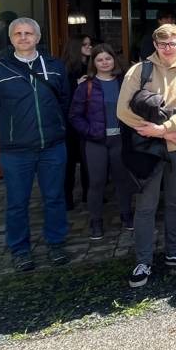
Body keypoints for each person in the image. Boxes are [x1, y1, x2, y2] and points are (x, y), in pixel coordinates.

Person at [0, 17, 71, 272]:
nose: (23, 37)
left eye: (28, 33)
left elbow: (65, 100)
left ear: (37, 38)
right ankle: (20, 250)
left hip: (52, 146)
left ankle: (56, 244)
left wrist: (55, 126)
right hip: (15, 151)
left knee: (54, 197)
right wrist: (13, 129)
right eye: (18, 33)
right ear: (11, 39)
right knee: (17, 202)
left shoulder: (54, 67)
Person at [117, 22, 176, 287]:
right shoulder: (138, 70)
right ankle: (143, 261)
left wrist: (163, 129)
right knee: (146, 206)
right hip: (148, 149)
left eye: (173, 43)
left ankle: (174, 252)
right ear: (155, 45)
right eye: (162, 44)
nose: (168, 48)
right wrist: (162, 133)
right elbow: (123, 111)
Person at [68, 44, 134, 240]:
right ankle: (95, 221)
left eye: (108, 58)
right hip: (96, 141)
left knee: (122, 180)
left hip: (119, 139)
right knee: (96, 182)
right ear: (94, 63)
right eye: (99, 59)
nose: (104, 62)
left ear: (114, 59)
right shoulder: (86, 86)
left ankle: (126, 215)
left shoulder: (124, 83)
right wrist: (90, 132)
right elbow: (75, 116)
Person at [60, 33, 92, 210]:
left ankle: (89, 193)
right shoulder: (66, 71)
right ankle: (67, 197)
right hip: (70, 124)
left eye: (89, 44)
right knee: (69, 162)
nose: (89, 47)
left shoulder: (92, 67)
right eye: (85, 44)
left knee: (88, 159)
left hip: (89, 120)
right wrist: (77, 87)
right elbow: (63, 99)